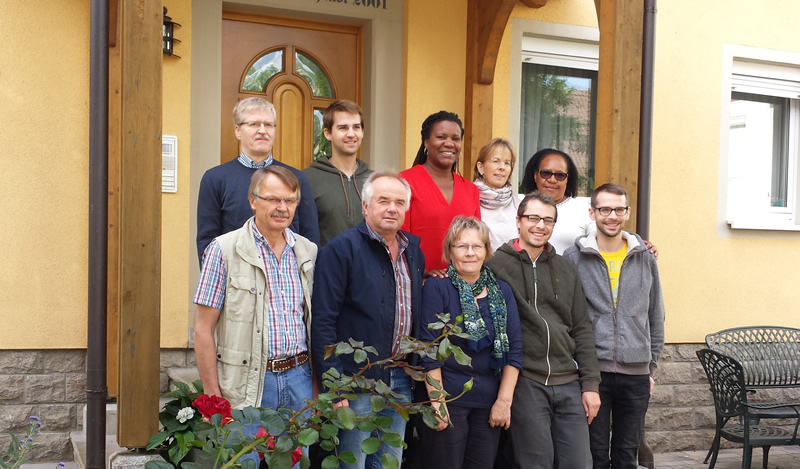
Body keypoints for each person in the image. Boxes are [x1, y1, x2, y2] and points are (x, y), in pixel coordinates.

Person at [311, 172, 425, 468]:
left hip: (400, 378)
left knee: (389, 462)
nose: (392, 208)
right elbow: (324, 321)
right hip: (355, 381)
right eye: (383, 200)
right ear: (365, 206)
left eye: (399, 202)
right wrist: (333, 387)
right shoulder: (339, 250)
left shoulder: (414, 252)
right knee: (354, 463)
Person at [486, 191, 601, 469]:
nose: (540, 225)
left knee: (578, 463)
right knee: (535, 463)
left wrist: (590, 385)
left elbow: (582, 328)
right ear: (518, 220)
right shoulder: (495, 267)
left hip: (568, 381)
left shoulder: (565, 267)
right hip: (527, 380)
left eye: (548, 220)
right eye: (533, 218)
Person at [193, 165, 316, 414]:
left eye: (290, 200)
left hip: (299, 382)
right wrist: (213, 396)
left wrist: (315, 387)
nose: (282, 207)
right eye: (272, 199)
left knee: (295, 454)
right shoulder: (223, 250)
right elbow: (202, 328)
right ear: (252, 201)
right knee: (243, 454)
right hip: (245, 385)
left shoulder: (307, 252)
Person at [563, 183, 665, 469]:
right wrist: (580, 371)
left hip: (636, 373)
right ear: (592, 212)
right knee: (595, 453)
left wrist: (651, 368)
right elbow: (569, 320)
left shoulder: (645, 258)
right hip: (594, 373)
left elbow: (656, 315)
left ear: (627, 212)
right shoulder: (574, 259)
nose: (612, 216)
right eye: (605, 209)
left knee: (626, 454)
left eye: (619, 209)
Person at [416, 216, 522, 469]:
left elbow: (514, 351)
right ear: (449, 251)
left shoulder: (502, 291)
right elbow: (428, 349)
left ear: (487, 251)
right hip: (448, 400)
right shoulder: (437, 288)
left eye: (477, 246)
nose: (470, 253)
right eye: (461, 246)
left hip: (489, 402)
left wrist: (503, 403)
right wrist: (438, 404)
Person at [196, 97, 320, 261]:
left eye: (268, 124)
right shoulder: (214, 179)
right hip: (237, 281)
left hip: (286, 279)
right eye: (254, 124)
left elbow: (310, 238)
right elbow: (207, 242)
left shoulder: (296, 178)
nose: (262, 130)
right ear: (237, 131)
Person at [400, 111, 481, 275]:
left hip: (461, 287)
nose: (449, 143)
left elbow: (476, 240)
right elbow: (397, 238)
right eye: (441, 137)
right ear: (426, 142)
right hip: (417, 284)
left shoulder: (471, 190)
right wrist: (421, 272)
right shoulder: (404, 182)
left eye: (455, 138)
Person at [303, 99, 372, 246]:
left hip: (369, 267)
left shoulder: (374, 180)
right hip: (325, 267)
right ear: (327, 133)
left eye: (356, 127)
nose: (351, 134)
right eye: (343, 128)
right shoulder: (307, 179)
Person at [520, 148, 594, 254]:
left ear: (567, 179)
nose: (552, 180)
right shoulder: (520, 206)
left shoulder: (585, 211)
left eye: (560, 175)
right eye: (546, 173)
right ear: (535, 175)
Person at [473, 139, 519, 252]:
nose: (502, 167)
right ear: (481, 167)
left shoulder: (519, 205)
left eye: (507, 163)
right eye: (496, 161)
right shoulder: (469, 199)